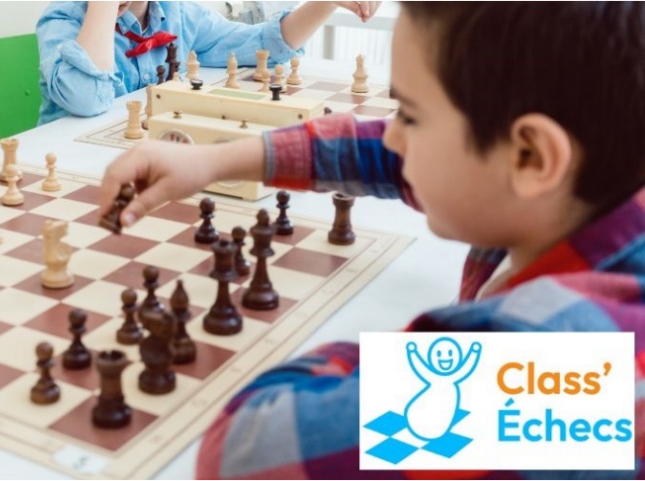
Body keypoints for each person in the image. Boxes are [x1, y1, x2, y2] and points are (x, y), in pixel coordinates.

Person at [97, 2, 645, 478]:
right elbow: (393, 154)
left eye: (411, 115)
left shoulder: (589, 368)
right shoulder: (580, 192)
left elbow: (246, 452)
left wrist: (413, 360)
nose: (393, 134)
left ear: (530, 156)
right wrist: (213, 161)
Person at [35, 1, 380, 125]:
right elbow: (86, 100)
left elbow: (261, 45)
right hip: (64, 166)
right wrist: (103, 5)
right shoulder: (64, 19)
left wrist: (325, 3)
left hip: (140, 158)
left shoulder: (179, 13)